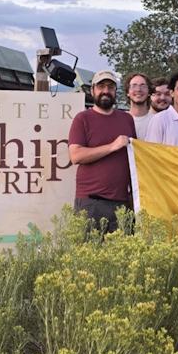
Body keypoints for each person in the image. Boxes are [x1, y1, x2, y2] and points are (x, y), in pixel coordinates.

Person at [68, 70, 136, 233]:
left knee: (122, 249)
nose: (106, 91)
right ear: (92, 90)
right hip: (91, 203)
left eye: (110, 87)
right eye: (101, 86)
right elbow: (76, 155)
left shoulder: (127, 119)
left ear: (115, 91)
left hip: (122, 203)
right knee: (88, 248)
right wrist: (112, 146)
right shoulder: (82, 119)